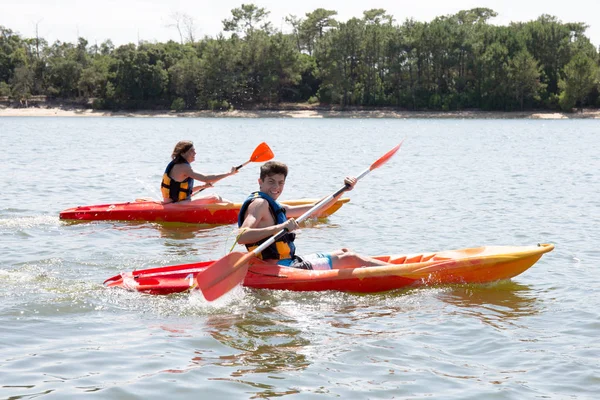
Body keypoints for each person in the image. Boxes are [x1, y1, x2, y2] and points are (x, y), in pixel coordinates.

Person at [237, 161, 393, 270]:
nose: (276, 187)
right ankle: (408, 273)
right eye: (271, 182)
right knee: (349, 258)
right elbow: (242, 236)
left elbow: (316, 209)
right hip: (280, 268)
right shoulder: (259, 204)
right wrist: (282, 226)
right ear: (260, 181)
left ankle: (397, 271)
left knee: (343, 252)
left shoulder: (274, 205)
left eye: (281, 182)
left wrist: (343, 189)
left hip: (289, 262)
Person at [161, 140, 238, 204]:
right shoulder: (183, 167)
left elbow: (181, 189)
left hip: (172, 203)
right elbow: (206, 178)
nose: (195, 153)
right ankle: (239, 211)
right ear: (182, 153)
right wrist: (229, 173)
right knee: (215, 197)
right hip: (177, 205)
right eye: (191, 151)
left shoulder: (176, 165)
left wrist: (202, 186)